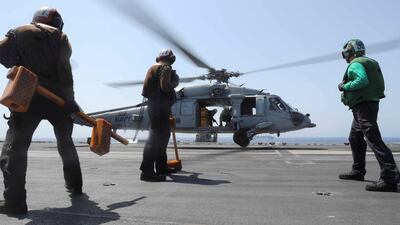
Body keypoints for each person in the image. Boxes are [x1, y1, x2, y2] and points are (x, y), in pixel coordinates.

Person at [0, 7, 83, 214]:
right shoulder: (62, 38)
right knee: (66, 144)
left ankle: (15, 202)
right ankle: (75, 186)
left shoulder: (21, 31)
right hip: (60, 101)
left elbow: (2, 53)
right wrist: (70, 100)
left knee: (15, 149)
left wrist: (16, 66)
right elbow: (65, 71)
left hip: (28, 96)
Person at [338, 39, 399, 192]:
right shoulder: (370, 62)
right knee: (355, 137)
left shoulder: (356, 64)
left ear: (350, 52)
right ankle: (358, 171)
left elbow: (362, 80)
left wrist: (344, 86)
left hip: (363, 106)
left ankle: (390, 178)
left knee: (372, 138)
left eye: (345, 53)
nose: (345, 57)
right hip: (366, 104)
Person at [140, 49, 179, 182]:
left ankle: (161, 167)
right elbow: (165, 87)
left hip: (155, 106)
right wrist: (175, 83)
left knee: (161, 137)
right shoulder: (166, 68)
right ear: (171, 58)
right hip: (160, 107)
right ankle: (147, 171)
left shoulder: (153, 68)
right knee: (156, 138)